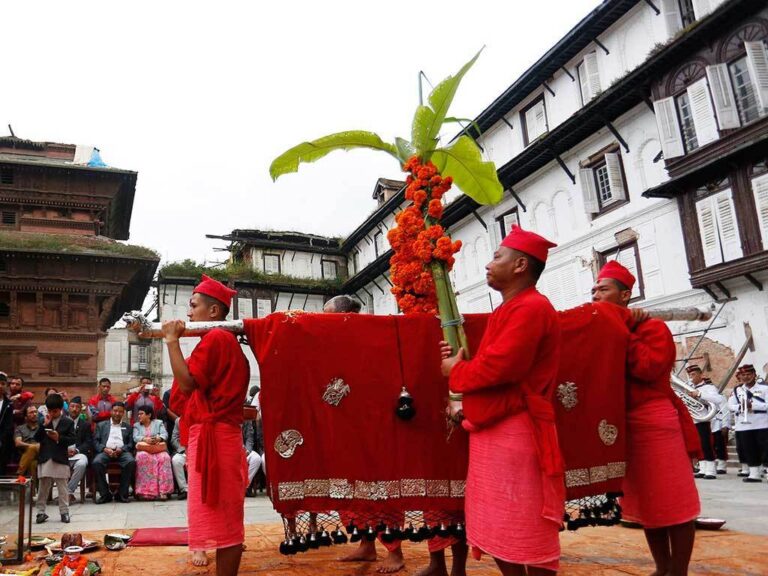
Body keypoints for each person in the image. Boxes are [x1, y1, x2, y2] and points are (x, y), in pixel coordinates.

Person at [441, 225, 563, 576]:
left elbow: (502, 367)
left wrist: (456, 371)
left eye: (497, 257)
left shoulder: (531, 308)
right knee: (498, 522)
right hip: (496, 428)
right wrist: (459, 364)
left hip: (516, 428)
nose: (488, 264)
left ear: (521, 265)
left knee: (526, 523)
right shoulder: (513, 308)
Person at [591, 260, 700, 576]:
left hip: (655, 422)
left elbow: (648, 368)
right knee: (647, 503)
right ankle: (662, 567)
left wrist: (625, 332)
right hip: (622, 425)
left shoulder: (653, 328)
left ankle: (678, 571)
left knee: (674, 501)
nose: (595, 295)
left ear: (625, 295)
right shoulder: (603, 331)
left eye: (603, 289)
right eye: (594, 290)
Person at [164, 275, 250, 576]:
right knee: (220, 514)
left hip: (217, 438)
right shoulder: (221, 341)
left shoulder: (216, 339)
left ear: (213, 311)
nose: (188, 313)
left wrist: (172, 341)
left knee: (226, 520)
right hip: (216, 436)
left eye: (193, 306)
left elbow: (187, 385)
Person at [35, 393, 76, 524]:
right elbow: (37, 438)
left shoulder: (68, 422)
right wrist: (44, 425)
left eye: (55, 411)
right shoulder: (43, 420)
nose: (52, 414)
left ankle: (64, 512)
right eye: (50, 411)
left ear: (61, 409)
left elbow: (72, 439)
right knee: (43, 487)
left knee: (62, 487)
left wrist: (59, 438)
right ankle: (40, 512)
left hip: (60, 457)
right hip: (46, 456)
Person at [727, 364, 768, 483]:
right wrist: (740, 407)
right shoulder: (737, 390)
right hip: (744, 426)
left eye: (749, 374)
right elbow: (730, 405)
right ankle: (754, 473)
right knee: (749, 449)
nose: (746, 377)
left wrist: (753, 406)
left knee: (765, 449)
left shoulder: (764, 389)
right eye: (743, 375)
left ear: (754, 375)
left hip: (762, 424)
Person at [684, 365, 725, 480]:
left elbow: (719, 399)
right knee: (697, 445)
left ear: (700, 374)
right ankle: (702, 469)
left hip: (703, 419)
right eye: (689, 375)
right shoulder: (688, 387)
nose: (691, 377)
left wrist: (700, 394)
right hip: (693, 419)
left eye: (693, 374)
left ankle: (711, 470)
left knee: (706, 444)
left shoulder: (708, 387)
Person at [92, 402, 136, 503]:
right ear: (111, 411)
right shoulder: (101, 425)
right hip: (105, 451)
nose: (117, 413)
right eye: (115, 411)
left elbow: (130, 443)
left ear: (123, 413)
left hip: (122, 452)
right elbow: (95, 441)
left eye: (120, 412)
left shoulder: (128, 427)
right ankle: (105, 494)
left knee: (130, 461)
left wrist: (122, 449)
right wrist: (104, 449)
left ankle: (121, 494)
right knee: (97, 462)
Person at [132, 405, 174, 500]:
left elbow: (165, 435)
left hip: (157, 448)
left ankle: (164, 491)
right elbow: (135, 437)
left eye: (141, 414)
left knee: (164, 457)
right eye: (138, 414)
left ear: (149, 415)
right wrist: (145, 439)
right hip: (144, 449)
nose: (139, 416)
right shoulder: (136, 425)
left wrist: (158, 438)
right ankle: (146, 492)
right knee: (142, 457)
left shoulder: (158, 423)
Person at [67, 397, 93, 503]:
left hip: (78, 454)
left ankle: (68, 492)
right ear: (68, 408)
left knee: (82, 463)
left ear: (80, 409)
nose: (74, 409)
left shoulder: (85, 425)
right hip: (62, 454)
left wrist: (77, 450)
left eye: (77, 407)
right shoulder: (61, 422)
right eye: (72, 406)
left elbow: (88, 442)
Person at [705, 378, 730, 474]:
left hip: (718, 423)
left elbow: (725, 411)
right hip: (709, 423)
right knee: (711, 445)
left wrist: (725, 425)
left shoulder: (720, 397)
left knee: (720, 445)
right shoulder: (705, 398)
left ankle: (722, 465)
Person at [14, 405, 41, 480]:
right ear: (26, 417)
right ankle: (33, 487)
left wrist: (35, 446)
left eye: (35, 412)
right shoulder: (20, 428)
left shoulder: (42, 427)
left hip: (41, 453)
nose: (34, 414)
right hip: (28, 455)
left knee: (34, 447)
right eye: (31, 412)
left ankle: (20, 473)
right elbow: (18, 443)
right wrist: (32, 446)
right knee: (32, 464)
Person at [170, 417, 188, 500]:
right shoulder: (179, 420)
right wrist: (182, 449)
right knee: (176, 460)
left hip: (198, 451)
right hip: (183, 450)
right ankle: (184, 489)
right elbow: (174, 439)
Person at [0, 374, 14, 474]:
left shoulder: (9, 404)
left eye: (3, 384)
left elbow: (8, 425)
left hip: (2, 442)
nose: (0, 386)